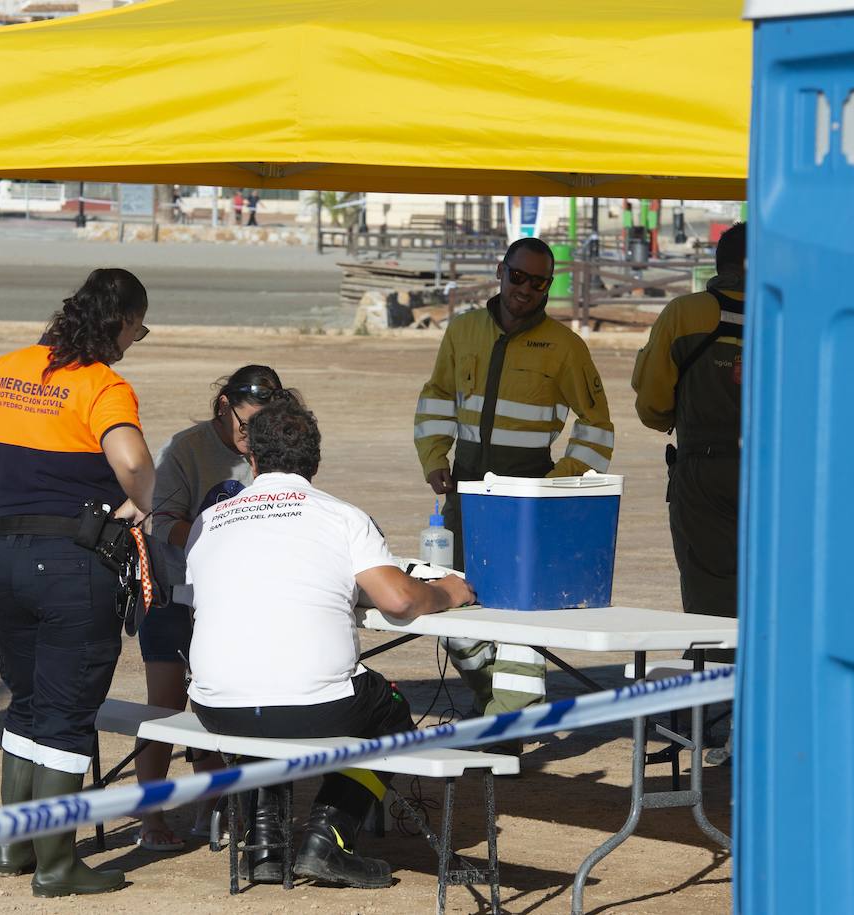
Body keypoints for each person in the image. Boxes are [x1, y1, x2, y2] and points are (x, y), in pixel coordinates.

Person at [186, 397, 477, 888]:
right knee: (389, 712)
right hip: (313, 707)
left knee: (264, 698)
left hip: (217, 707)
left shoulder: (210, 520)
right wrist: (449, 591)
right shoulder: (341, 516)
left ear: (252, 459)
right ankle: (328, 836)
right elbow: (399, 601)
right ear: (315, 462)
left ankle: (264, 845)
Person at [0, 267, 154, 898]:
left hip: (5, 556)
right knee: (67, 711)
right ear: (120, 323)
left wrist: (1, 501)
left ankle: (17, 845)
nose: (136, 340)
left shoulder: (9, 367)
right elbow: (131, 459)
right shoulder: (104, 385)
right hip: (73, 565)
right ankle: (58, 865)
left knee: (27, 701)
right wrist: (145, 503)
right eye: (139, 330)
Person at [412, 237, 614, 724]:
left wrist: (556, 486)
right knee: (454, 603)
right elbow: (438, 395)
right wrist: (434, 456)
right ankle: (491, 704)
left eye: (538, 282)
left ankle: (511, 720)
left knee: (520, 613)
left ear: (548, 286)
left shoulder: (566, 346)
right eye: (518, 276)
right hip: (465, 491)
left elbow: (597, 426)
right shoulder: (463, 330)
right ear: (501, 272)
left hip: (528, 499)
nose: (525, 289)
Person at [132, 365, 289, 852]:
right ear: (224, 406)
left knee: (222, 699)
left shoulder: (269, 450)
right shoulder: (186, 448)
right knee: (164, 704)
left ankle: (214, 803)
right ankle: (150, 814)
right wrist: (223, 534)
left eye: (263, 426)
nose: (253, 436)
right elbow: (162, 523)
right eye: (247, 424)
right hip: (171, 590)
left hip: (230, 597)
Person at [631, 222, 745, 666]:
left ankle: (716, 689)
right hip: (778, 475)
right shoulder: (792, 317)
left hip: (703, 471)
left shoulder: (686, 314)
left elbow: (652, 405)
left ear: (720, 264)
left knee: (710, 594)